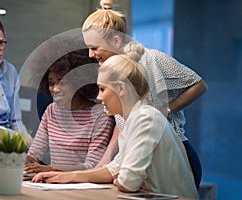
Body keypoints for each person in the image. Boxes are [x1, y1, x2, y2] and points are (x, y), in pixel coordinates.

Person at [30, 42, 199, 199]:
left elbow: (127, 182)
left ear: (121, 88)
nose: (99, 96)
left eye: (103, 89)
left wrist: (120, 177)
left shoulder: (146, 118)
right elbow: (113, 170)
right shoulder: (132, 120)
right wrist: (63, 176)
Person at [82, 0, 207, 189]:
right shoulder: (113, 71)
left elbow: (199, 85)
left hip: (174, 158)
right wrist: (107, 158)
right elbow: (122, 118)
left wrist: (165, 109)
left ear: (116, 41)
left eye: (95, 47)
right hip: (141, 158)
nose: (91, 55)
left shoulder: (154, 58)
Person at [24, 49, 114, 173]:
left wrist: (51, 169)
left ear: (78, 83)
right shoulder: (51, 111)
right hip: (54, 184)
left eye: (63, 82)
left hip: (83, 187)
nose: (55, 89)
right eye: (51, 83)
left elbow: (92, 166)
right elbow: (34, 154)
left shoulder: (100, 116)